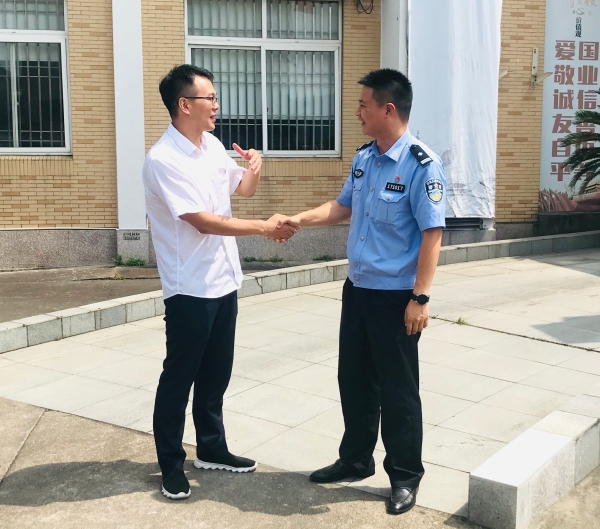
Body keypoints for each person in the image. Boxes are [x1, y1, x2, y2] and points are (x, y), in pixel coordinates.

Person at [282, 68, 446, 515]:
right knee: (353, 379)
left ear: (388, 110)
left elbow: (432, 235)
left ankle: (405, 476)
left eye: (363, 105)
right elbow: (342, 207)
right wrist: (299, 219)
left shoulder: (421, 166)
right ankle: (355, 460)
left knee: (398, 390)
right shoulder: (365, 158)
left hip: (396, 297)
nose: (357, 112)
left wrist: (420, 298)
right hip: (357, 290)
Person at [142, 64, 298, 500]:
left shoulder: (210, 146)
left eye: (215, 97)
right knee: (179, 378)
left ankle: (211, 448)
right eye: (208, 97)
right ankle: (171, 464)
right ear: (183, 104)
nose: (216, 104)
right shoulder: (163, 159)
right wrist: (264, 228)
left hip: (223, 280)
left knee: (215, 375)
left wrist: (254, 167)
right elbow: (203, 221)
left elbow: (242, 190)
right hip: (190, 287)